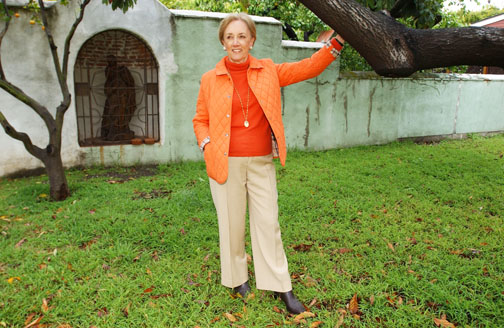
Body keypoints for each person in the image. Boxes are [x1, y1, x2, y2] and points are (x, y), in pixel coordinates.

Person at [193, 13, 344, 314]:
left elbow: (307, 68)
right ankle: (237, 280)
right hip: (225, 163)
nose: (236, 42)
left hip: (261, 162)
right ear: (223, 43)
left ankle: (280, 286)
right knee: (232, 225)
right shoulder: (210, 79)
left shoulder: (269, 71)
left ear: (252, 40)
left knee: (268, 224)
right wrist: (207, 145)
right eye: (230, 37)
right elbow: (200, 120)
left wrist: (336, 43)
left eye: (242, 36)